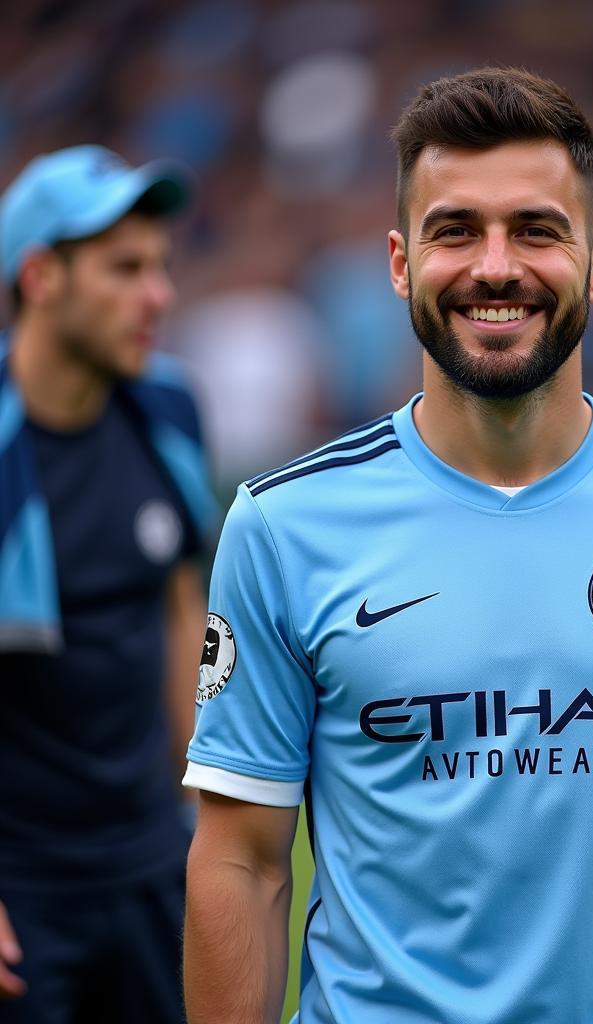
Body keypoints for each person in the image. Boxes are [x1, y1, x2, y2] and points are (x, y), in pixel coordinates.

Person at [182, 67, 593, 1024]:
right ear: (399, 265)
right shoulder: (281, 526)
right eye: (454, 231)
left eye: (535, 229)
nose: (494, 266)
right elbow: (242, 860)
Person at [0, 145, 216, 1022]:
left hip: (151, 870)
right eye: (125, 269)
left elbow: (178, 613)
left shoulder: (169, 408)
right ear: (42, 276)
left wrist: (211, 824)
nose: (158, 295)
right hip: (22, 896)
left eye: (161, 267)